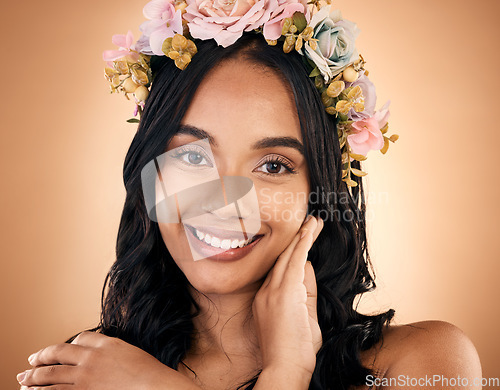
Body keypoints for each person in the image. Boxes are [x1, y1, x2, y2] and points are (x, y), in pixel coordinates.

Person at [17, 1, 482, 389]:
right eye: (194, 158)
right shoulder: (88, 372)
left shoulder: (423, 363)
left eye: (273, 165)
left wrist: (286, 370)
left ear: (318, 191)